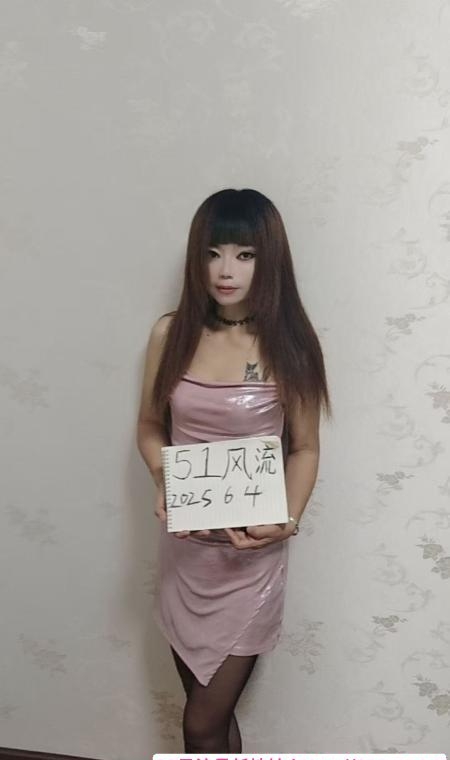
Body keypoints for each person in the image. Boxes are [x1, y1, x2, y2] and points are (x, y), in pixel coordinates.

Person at [136, 188, 332, 752]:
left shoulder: (291, 345)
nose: (226, 271)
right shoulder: (170, 334)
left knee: (201, 722)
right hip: (186, 554)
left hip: (250, 561)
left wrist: (286, 520)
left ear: (270, 261)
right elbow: (149, 426)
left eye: (245, 255)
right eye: (213, 253)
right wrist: (165, 479)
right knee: (211, 717)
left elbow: (304, 448)